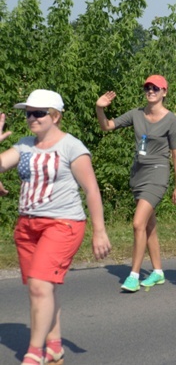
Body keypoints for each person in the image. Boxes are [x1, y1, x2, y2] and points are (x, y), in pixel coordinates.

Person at [1, 90, 111, 365]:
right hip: (26, 226)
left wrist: (99, 231)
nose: (31, 118)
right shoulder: (25, 145)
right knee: (42, 288)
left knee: (40, 285)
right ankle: (53, 347)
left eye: (39, 113)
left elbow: (92, 190)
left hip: (63, 224)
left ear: (55, 116)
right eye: (28, 112)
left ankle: (34, 353)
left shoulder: (71, 146)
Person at [95, 75, 176, 292]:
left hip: (157, 173)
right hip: (139, 174)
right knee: (149, 226)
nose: (150, 91)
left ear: (164, 92)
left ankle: (133, 275)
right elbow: (107, 126)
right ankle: (158, 272)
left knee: (137, 223)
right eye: (147, 87)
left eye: (155, 88)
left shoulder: (171, 120)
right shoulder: (136, 114)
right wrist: (100, 109)